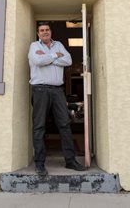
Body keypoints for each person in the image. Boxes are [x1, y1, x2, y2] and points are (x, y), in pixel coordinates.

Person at [28, 22, 85, 176]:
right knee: (39, 126)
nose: (45, 32)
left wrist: (47, 58)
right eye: (41, 30)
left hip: (58, 90)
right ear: (38, 33)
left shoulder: (59, 44)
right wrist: (55, 56)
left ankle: (70, 161)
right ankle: (40, 164)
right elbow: (38, 62)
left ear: (50, 32)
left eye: (47, 30)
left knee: (65, 124)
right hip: (40, 90)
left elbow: (68, 61)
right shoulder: (34, 46)